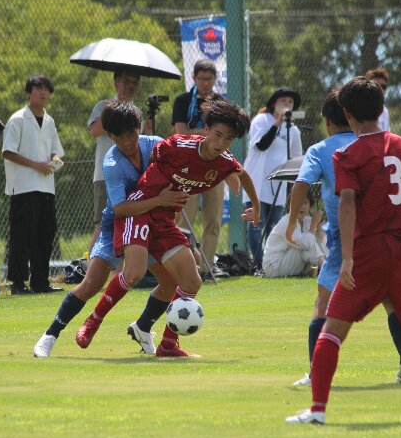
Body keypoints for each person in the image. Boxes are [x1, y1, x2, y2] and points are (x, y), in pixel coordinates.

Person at [286, 76, 401, 424]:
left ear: (347, 115)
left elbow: (347, 203)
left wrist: (347, 257)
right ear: (382, 110)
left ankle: (317, 411)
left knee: (332, 330)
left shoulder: (347, 154)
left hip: (368, 255)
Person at [76, 93, 260, 357]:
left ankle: (168, 344)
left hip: (163, 221)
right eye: (218, 135)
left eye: (229, 139)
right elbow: (148, 158)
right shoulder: (178, 145)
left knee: (191, 281)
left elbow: (243, 174)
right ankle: (93, 321)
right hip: (141, 210)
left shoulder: (224, 162)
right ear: (206, 130)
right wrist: (152, 189)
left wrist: (256, 204)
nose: (222, 143)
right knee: (135, 271)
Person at [33, 101, 188, 357]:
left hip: (150, 224)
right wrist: (161, 200)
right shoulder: (112, 164)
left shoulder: (157, 145)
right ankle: (49, 336)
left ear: (139, 128)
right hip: (116, 224)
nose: (128, 141)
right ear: (110, 136)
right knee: (91, 283)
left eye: (132, 133)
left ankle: (142, 327)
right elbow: (121, 209)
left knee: (170, 282)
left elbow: (182, 168)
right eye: (120, 136)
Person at [286, 90, 401, 387]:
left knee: (323, 303)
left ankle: (315, 372)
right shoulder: (377, 143)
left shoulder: (321, 150)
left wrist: (292, 223)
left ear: (330, 121)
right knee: (391, 299)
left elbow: (301, 184)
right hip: (384, 235)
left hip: (347, 239)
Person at [2, 75, 64, 294]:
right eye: (38, 88)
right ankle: (17, 283)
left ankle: (40, 282)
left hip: (47, 187)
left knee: (45, 235)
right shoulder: (18, 119)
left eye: (46, 88)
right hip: (24, 187)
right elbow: (7, 151)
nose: (43, 92)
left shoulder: (49, 121)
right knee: (22, 236)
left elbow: (56, 149)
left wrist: (55, 160)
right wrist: (35, 165)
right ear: (29, 92)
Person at [171, 59, 226, 279]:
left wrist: (202, 134)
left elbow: (222, 137)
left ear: (215, 79)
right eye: (202, 78)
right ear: (194, 78)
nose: (206, 83)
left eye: (210, 79)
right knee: (184, 219)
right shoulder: (183, 101)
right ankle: (183, 267)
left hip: (215, 166)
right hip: (188, 168)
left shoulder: (220, 103)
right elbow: (181, 134)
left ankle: (206, 268)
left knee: (213, 219)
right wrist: (206, 136)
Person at [243, 87, 303, 274]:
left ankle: (271, 265)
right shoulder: (262, 120)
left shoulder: (293, 130)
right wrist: (277, 123)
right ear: (273, 104)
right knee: (255, 225)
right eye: (283, 101)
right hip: (257, 183)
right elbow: (261, 145)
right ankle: (258, 265)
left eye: (290, 102)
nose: (287, 104)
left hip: (278, 187)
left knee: (273, 227)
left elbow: (296, 159)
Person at [87, 70, 141, 254]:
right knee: (103, 225)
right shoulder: (103, 105)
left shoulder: (136, 112)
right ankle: (89, 271)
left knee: (128, 223)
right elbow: (94, 130)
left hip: (130, 175)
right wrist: (114, 112)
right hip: (105, 174)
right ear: (116, 83)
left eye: (135, 82)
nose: (131, 85)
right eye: (127, 81)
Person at [263, 190, 326, 278]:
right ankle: (326, 269)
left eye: (305, 203)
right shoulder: (287, 221)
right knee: (304, 246)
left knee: (309, 243)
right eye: (298, 202)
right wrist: (313, 227)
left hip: (288, 260)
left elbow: (320, 243)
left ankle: (326, 267)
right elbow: (306, 245)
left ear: (310, 206)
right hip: (274, 266)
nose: (302, 206)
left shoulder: (307, 220)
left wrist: (318, 227)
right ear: (290, 205)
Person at [364, 67, 390, 131]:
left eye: (383, 86)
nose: (380, 89)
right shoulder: (360, 110)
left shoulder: (385, 111)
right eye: (376, 85)